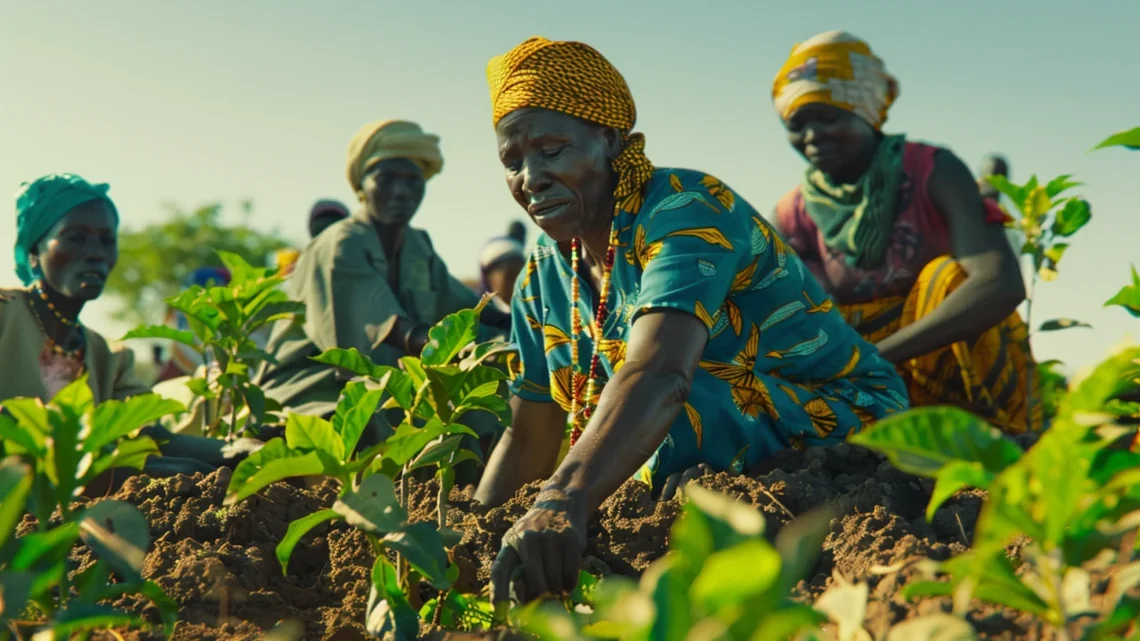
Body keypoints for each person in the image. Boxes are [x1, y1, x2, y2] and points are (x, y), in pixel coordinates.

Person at [476, 36, 909, 603]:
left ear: (609, 139)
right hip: (719, 421)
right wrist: (471, 537)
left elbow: (661, 376)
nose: (529, 177)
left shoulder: (685, 209)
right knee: (641, 440)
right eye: (513, 161)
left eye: (552, 149)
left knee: (673, 417)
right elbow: (529, 430)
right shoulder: (540, 276)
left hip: (848, 415)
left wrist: (562, 500)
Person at [770, 31, 1036, 434]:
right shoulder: (793, 216)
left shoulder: (934, 171)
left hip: (942, 378)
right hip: (862, 391)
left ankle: (985, 438)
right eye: (796, 124)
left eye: (827, 117)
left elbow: (998, 283)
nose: (811, 136)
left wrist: (873, 357)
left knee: (947, 278)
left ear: (866, 111)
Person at [1, 173, 255, 479]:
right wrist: (118, 475)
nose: (95, 252)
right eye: (76, 237)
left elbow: (156, 436)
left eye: (107, 241)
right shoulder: (5, 316)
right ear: (33, 252)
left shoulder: (108, 357)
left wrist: (239, 451)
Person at [255, 120, 511, 422]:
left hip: (382, 387)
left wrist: (520, 325)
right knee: (373, 424)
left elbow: (465, 309)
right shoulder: (341, 242)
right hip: (310, 388)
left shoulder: (418, 244)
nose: (401, 191)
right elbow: (387, 326)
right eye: (386, 179)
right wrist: (453, 349)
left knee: (483, 415)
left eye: (413, 180)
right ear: (362, 185)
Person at [477, 228, 527, 312]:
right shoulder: (481, 318)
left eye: (521, 275)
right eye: (510, 277)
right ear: (489, 279)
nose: (516, 284)